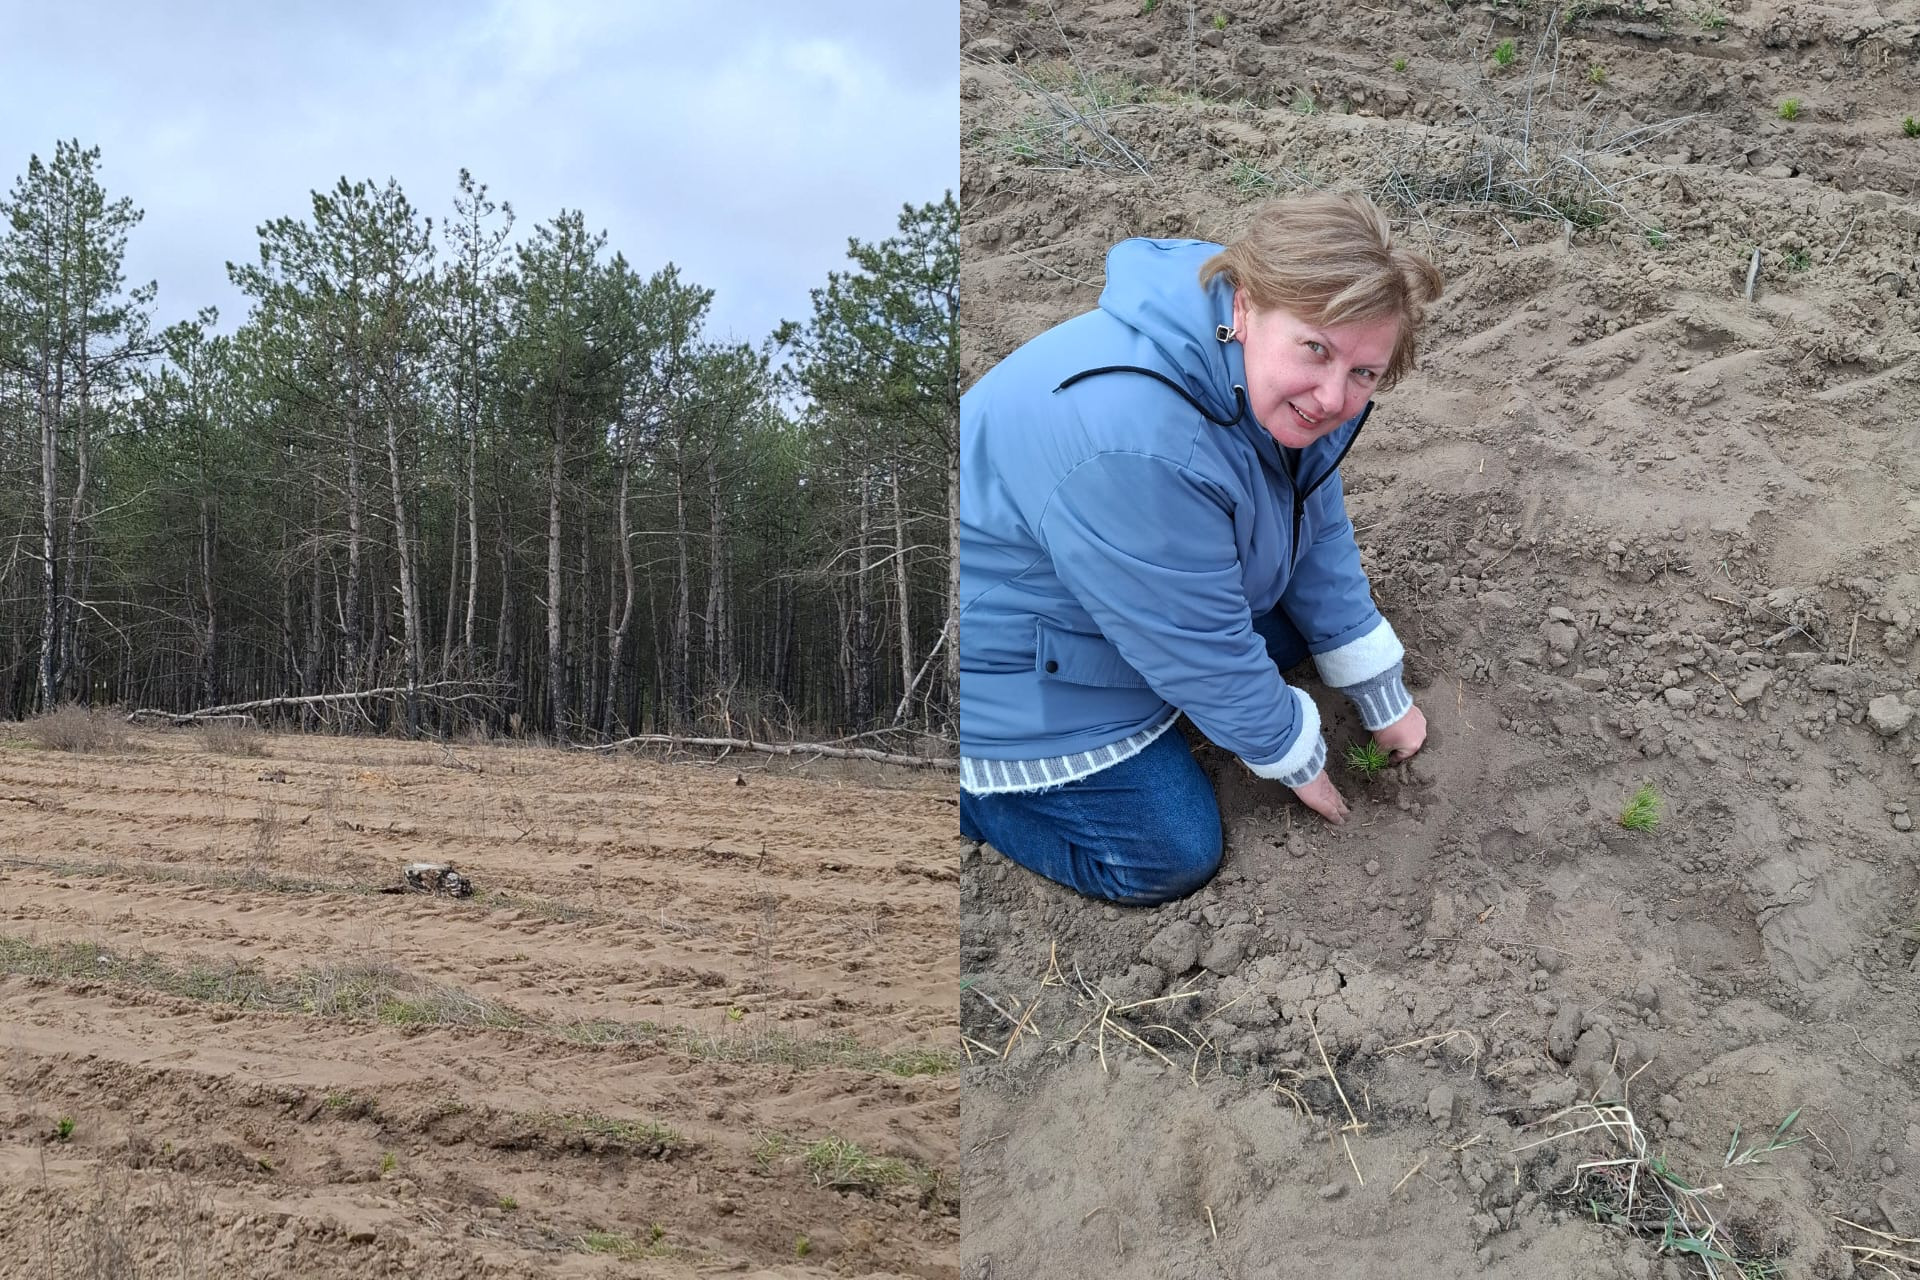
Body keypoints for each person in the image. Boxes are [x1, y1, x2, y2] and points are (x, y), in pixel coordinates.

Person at [957, 190, 1444, 906]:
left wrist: (1377, 684)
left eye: (1364, 374)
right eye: (1316, 349)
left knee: (1286, 636)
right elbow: (1195, 641)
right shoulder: (1139, 438)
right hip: (996, 660)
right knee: (1170, 853)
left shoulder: (1277, 379)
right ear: (1245, 306)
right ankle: (971, 794)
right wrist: (1293, 753)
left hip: (1116, 587)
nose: (1334, 396)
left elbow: (1313, 519)